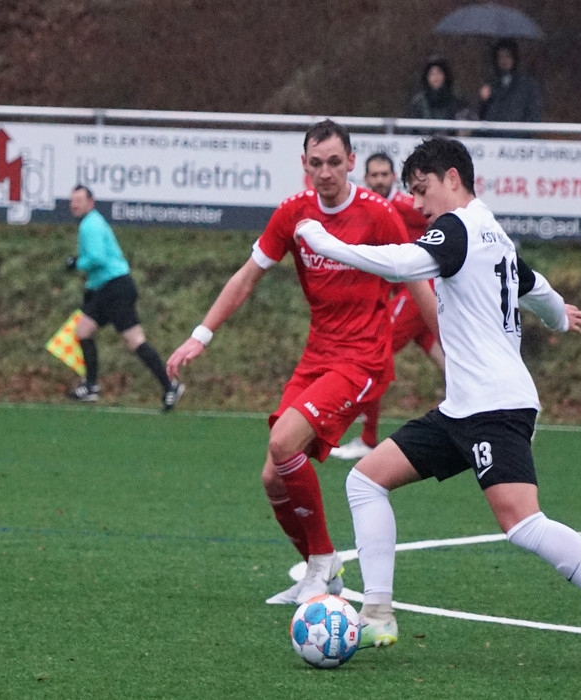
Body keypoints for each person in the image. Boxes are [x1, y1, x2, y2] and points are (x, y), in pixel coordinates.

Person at [295, 135, 581, 678]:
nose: (417, 203)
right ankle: (377, 613)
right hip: (464, 407)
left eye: (422, 190)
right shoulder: (494, 235)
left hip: (497, 407)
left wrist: (325, 241)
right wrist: (560, 317)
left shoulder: (459, 227)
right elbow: (534, 286)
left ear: (452, 178)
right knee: (365, 480)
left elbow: (404, 265)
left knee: (523, 524)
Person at [165, 120, 437, 606]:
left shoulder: (378, 215)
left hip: (362, 359)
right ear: (304, 164)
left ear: (351, 161)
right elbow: (246, 277)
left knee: (282, 442)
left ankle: (323, 559)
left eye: (334, 162)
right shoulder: (294, 212)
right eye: (316, 163)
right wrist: (199, 336)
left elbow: (419, 282)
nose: (325, 172)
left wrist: (458, 344)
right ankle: (320, 569)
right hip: (317, 356)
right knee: (273, 476)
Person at [329, 153, 445, 461]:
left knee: (372, 354)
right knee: (447, 357)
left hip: (417, 290)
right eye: (374, 175)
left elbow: (444, 222)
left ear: (394, 177)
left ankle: (368, 439)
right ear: (365, 178)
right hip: (406, 292)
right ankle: (500, 404)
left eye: (384, 174)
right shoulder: (368, 207)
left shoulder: (406, 206)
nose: (379, 180)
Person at [65, 185, 184, 411]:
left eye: (79, 200)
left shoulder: (90, 225)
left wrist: (76, 263)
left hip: (115, 288)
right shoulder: (92, 222)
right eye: (72, 201)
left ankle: (170, 386)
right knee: (83, 331)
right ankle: (90, 386)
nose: (74, 205)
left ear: (91, 202)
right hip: (108, 288)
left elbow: (97, 258)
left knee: (135, 340)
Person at [478, 38, 543, 124]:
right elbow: (482, 115)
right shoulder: (491, 83)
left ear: (514, 58)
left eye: (507, 56)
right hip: (494, 130)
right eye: (500, 57)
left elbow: (534, 113)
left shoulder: (528, 84)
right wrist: (484, 100)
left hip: (518, 131)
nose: (504, 61)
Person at [409, 56, 471, 121]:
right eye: (432, 74)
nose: (436, 77)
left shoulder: (456, 102)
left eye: (439, 73)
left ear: (445, 75)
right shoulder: (418, 103)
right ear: (426, 77)